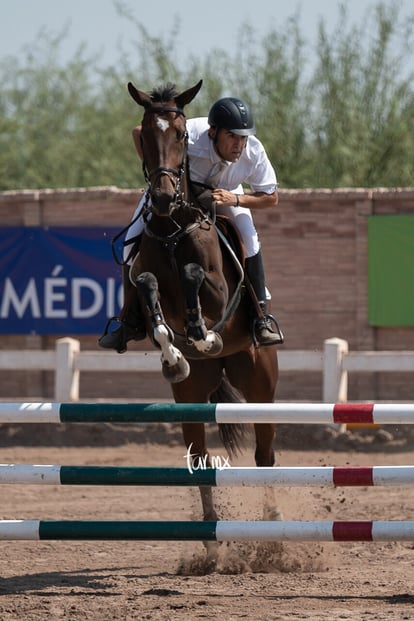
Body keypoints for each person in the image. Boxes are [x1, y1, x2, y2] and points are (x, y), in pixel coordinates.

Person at [99, 94, 284, 352]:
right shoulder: (190, 134)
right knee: (130, 243)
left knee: (250, 242)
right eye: (232, 136)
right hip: (179, 194)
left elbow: (271, 198)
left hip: (226, 196)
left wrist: (236, 198)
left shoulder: (253, 151)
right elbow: (139, 131)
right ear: (213, 132)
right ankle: (129, 320)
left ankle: (261, 317)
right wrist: (155, 174)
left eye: (243, 137)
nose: (238, 144)